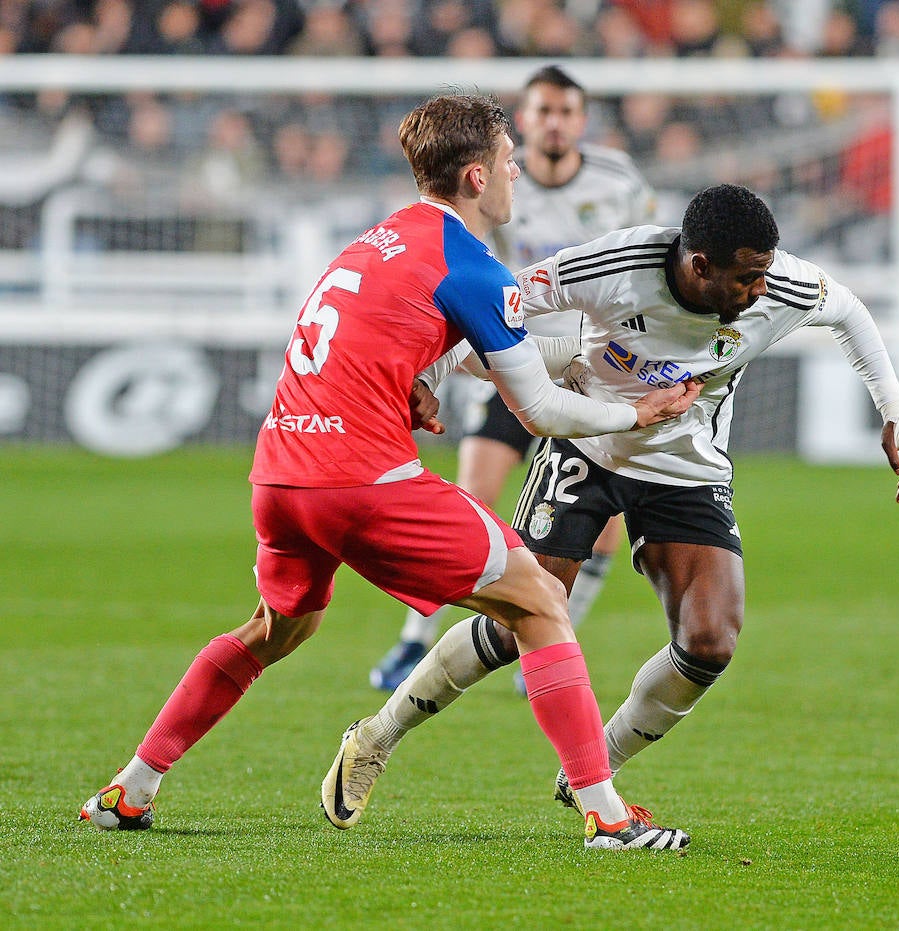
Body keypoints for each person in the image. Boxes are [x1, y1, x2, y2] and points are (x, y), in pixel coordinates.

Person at [79, 92, 697, 851]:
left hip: (279, 473)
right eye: (507, 162)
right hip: (358, 480)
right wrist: (637, 414)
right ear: (476, 177)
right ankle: (607, 815)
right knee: (538, 599)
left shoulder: (372, 241)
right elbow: (539, 410)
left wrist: (411, 381)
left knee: (277, 627)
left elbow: (354, 335)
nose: (516, 176)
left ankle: (130, 787)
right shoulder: (475, 267)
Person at [322, 183, 899, 828]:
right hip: (590, 445)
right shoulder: (614, 266)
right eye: (746, 280)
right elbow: (488, 303)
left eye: (764, 275)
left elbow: (851, 313)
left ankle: (594, 768)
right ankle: (375, 738)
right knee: (512, 624)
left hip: (685, 466)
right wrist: (428, 376)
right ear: (699, 267)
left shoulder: (779, 283)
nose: (760, 291)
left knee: (710, 642)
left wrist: (898, 414)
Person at [371, 65, 658, 695]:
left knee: (603, 520)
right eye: (543, 111)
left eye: (566, 112)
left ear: (581, 122)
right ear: (526, 119)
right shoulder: (491, 175)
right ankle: (413, 642)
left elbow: (642, 262)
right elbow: (463, 264)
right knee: (474, 494)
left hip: (588, 365)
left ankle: (552, 642)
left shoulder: (619, 182)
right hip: (506, 348)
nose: (554, 122)